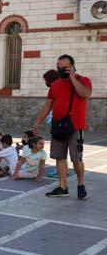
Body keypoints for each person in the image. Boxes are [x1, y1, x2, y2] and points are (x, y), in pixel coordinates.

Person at [33, 54, 92, 199]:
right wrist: (37, 123)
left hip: (75, 126)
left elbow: (85, 94)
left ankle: (80, 185)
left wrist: (72, 78)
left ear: (72, 66)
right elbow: (48, 106)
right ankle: (62, 187)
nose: (61, 70)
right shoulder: (55, 85)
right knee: (59, 158)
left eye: (64, 67)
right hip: (58, 126)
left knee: (76, 158)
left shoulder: (83, 80)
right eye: (59, 68)